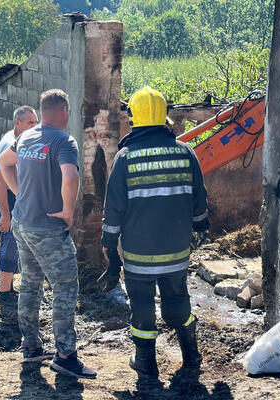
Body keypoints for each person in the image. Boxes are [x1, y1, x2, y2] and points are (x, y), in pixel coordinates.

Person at [100, 86, 209, 376]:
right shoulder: (186, 153)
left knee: (143, 304)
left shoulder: (125, 159)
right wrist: (200, 227)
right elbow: (199, 200)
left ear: (134, 119)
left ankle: (146, 361)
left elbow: (114, 210)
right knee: (177, 298)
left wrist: (109, 243)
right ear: (164, 119)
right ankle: (191, 354)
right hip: (177, 251)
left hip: (139, 253)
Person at [0, 89, 96, 379]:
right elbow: (70, 176)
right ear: (64, 111)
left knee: (29, 283)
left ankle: (31, 347)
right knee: (65, 288)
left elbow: (4, 163)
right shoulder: (65, 141)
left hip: (22, 224)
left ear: (41, 113)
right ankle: (65, 356)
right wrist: (68, 211)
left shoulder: (25, 138)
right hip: (48, 229)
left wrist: (22, 195)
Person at [0, 105, 38, 349]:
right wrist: (5, 213)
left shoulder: (28, 141)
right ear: (17, 124)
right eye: (30, 122)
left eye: (36, 122)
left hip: (23, 195)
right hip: (11, 198)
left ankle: (15, 287)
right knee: (10, 243)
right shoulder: (10, 144)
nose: (34, 126)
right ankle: (5, 293)